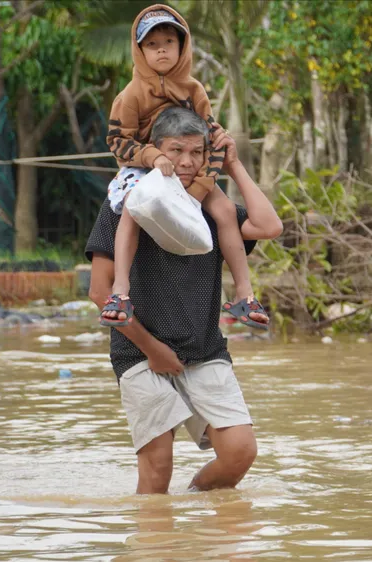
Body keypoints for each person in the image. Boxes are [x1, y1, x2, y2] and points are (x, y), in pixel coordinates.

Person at [86, 107, 283, 494]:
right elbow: (99, 291)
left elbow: (268, 225)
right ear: (155, 151)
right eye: (176, 150)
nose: (187, 162)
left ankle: (195, 505)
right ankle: (159, 531)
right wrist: (152, 349)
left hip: (204, 349)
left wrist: (234, 165)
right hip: (140, 353)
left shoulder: (213, 210)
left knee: (240, 451)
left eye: (197, 152)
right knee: (158, 467)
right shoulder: (123, 206)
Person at [99, 4, 268, 331]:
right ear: (140, 50)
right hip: (144, 167)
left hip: (192, 169)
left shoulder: (194, 90)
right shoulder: (130, 95)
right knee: (132, 208)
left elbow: (211, 139)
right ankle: (120, 291)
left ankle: (244, 295)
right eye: (152, 44)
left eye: (169, 42)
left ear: (182, 46)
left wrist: (200, 188)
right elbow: (118, 142)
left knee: (226, 211)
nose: (161, 49)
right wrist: (153, 157)